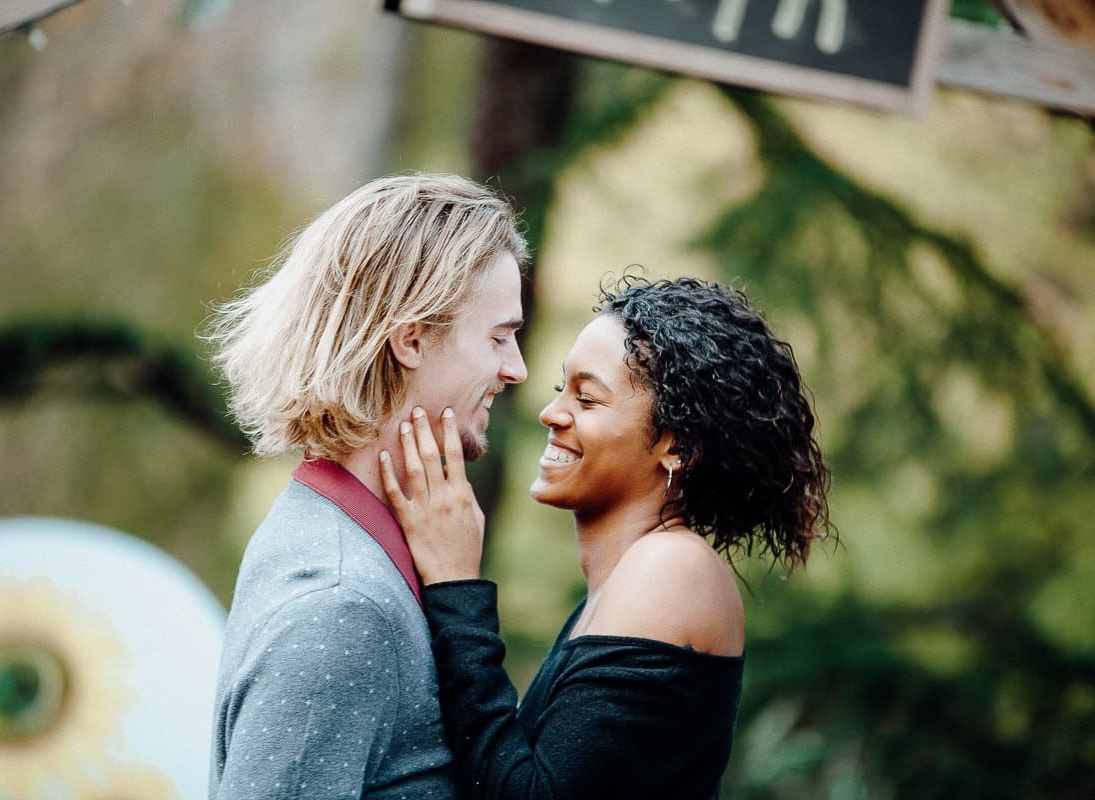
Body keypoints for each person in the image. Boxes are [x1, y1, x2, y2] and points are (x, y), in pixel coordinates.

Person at [379, 274, 832, 799]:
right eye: (560, 389)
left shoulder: (669, 570)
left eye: (587, 399)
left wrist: (457, 587)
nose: (552, 413)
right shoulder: (625, 580)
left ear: (677, 446)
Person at [205, 173, 529, 799]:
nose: (515, 368)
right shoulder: (343, 604)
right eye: (496, 337)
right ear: (412, 339)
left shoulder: (330, 537)